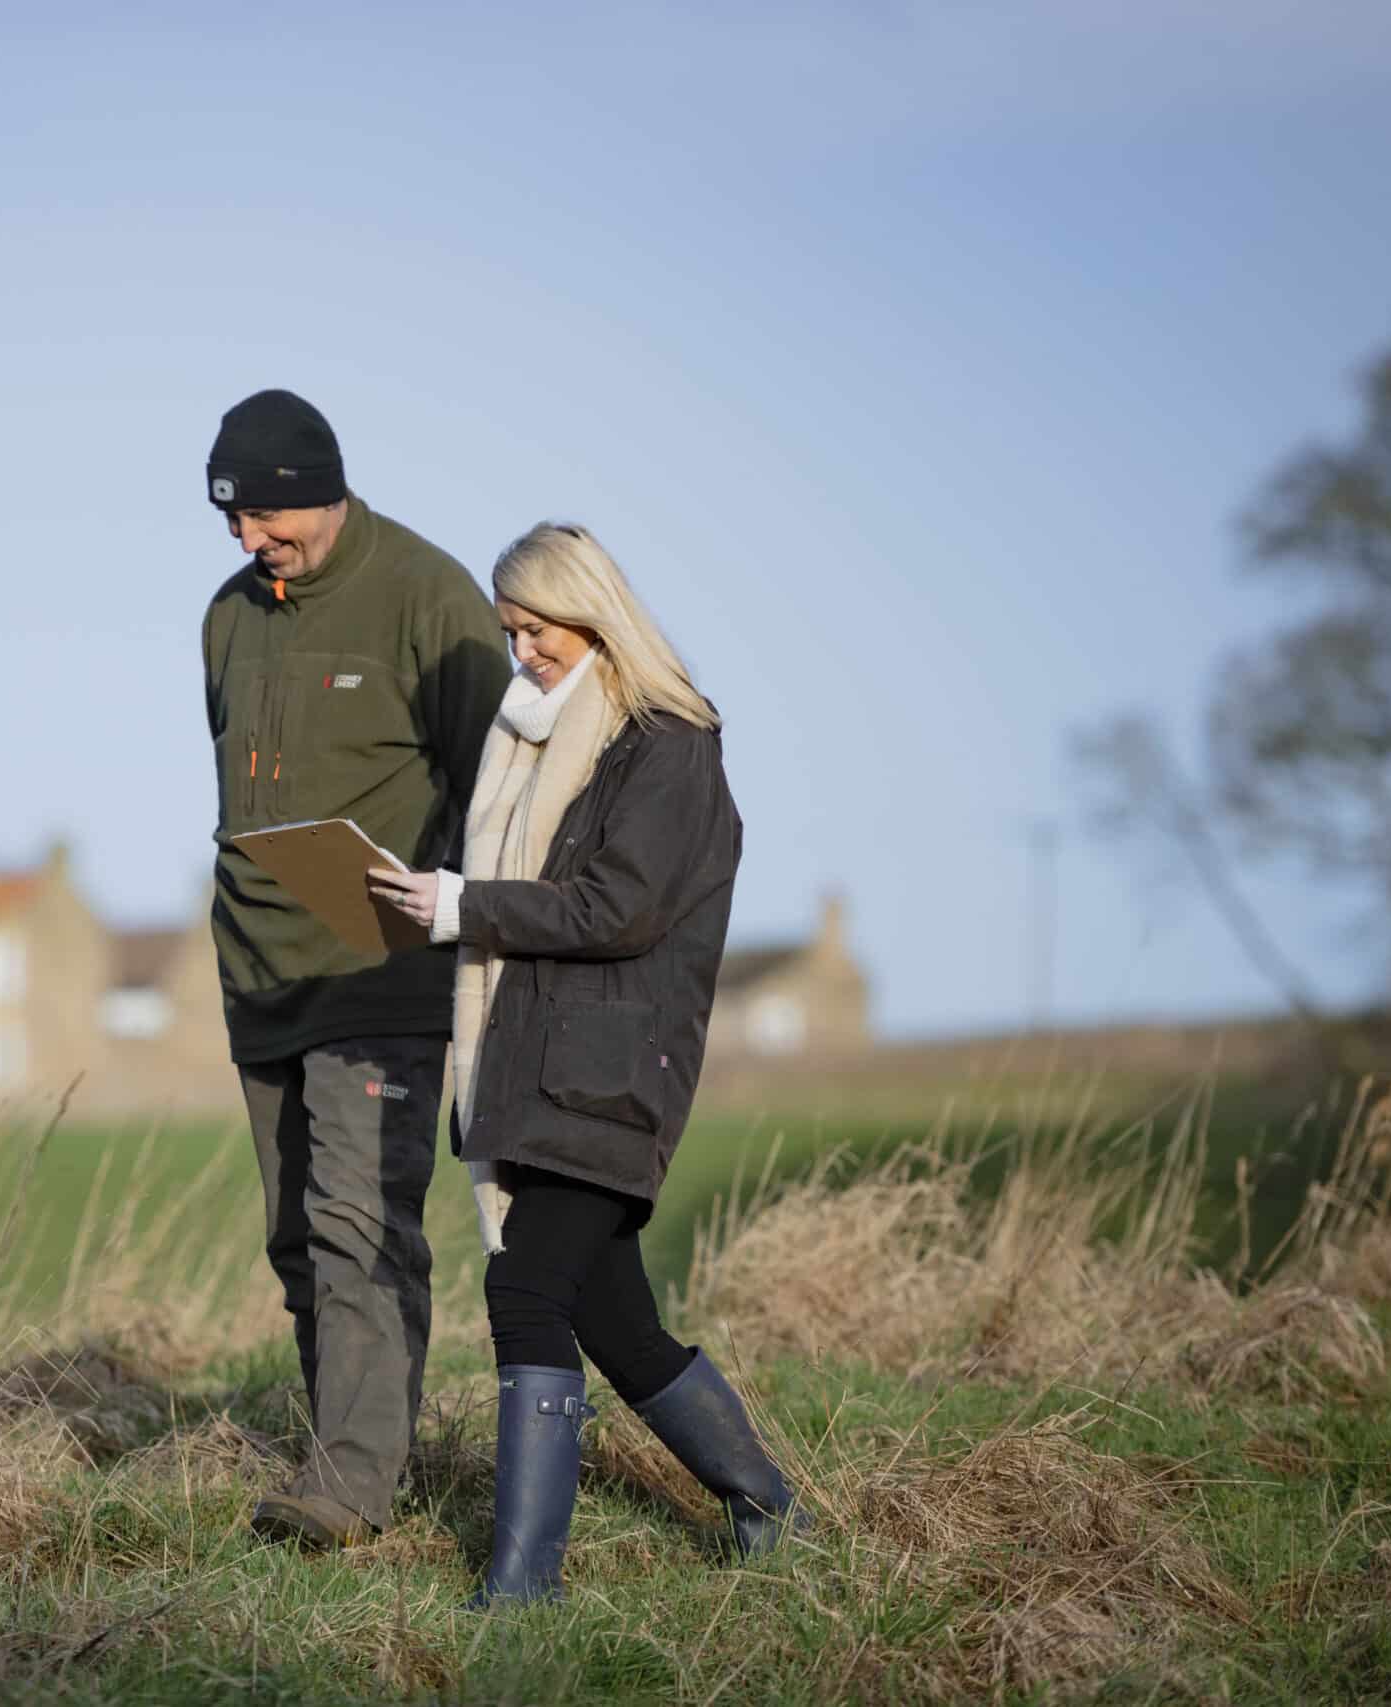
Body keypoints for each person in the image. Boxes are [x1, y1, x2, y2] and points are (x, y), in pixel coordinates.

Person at [370, 521, 808, 1605]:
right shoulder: (542, 744)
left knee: (523, 1289)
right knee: (612, 1320)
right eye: (509, 630)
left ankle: (523, 1590)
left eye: (535, 627)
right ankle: (760, 1495)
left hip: (610, 1073)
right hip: (540, 1065)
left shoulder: (669, 743)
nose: (522, 650)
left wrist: (459, 906)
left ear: (592, 612)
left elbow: (617, 907)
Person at [200, 389, 511, 1549]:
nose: (246, 542)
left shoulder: (430, 597)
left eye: (265, 517)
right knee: (297, 1243)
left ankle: (350, 1487)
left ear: (320, 489)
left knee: (358, 1222)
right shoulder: (224, 620)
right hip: (260, 971)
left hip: (382, 967)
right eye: (228, 520)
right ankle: (344, 1449)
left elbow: (501, 798)